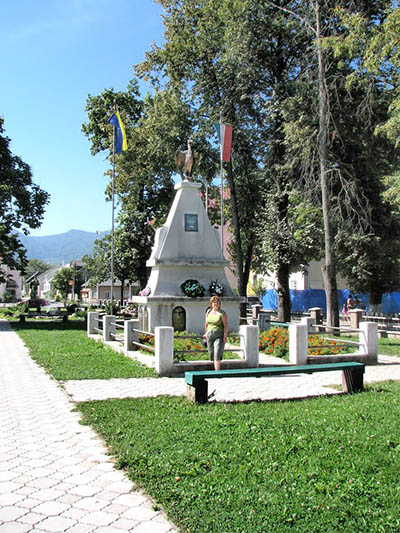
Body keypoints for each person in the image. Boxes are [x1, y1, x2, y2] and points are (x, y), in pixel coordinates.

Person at [204, 295, 228, 371]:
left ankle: (217, 371)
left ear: (219, 304)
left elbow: (226, 325)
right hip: (209, 335)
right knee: (211, 353)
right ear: (211, 304)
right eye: (214, 302)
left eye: (217, 302)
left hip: (219, 335)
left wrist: (225, 336)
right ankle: (213, 369)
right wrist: (206, 333)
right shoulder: (208, 312)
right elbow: (206, 324)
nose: (215, 304)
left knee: (217, 352)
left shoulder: (222, 313)